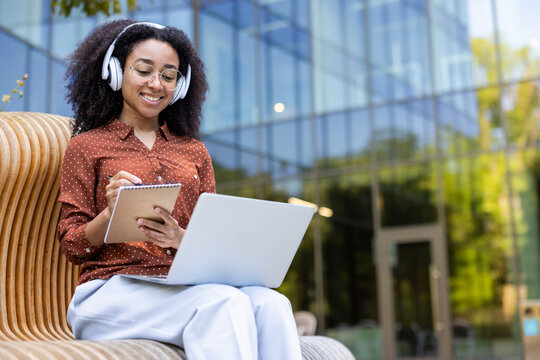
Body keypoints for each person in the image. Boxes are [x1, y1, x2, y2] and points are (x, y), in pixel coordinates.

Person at [57, 19, 302, 360]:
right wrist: (110, 214)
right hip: (110, 293)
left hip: (182, 288)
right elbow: (72, 245)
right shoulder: (87, 146)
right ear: (115, 72)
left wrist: (180, 237)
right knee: (223, 302)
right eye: (144, 71)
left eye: (168, 75)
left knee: (273, 304)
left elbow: (212, 237)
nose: (156, 84)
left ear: (180, 85)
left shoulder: (194, 151)